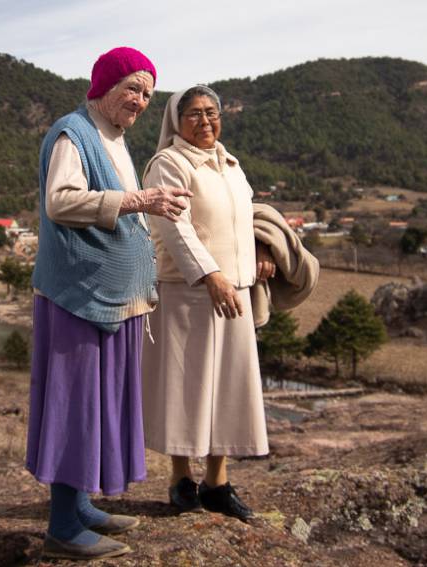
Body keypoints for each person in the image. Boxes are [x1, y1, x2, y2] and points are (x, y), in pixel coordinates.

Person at [26, 47, 192, 560]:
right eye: (132, 89)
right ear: (103, 86)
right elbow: (61, 201)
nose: (141, 100)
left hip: (113, 299)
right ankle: (61, 527)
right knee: (75, 406)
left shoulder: (112, 138)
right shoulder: (73, 133)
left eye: (147, 93)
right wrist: (142, 201)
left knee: (98, 404)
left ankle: (80, 506)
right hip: (80, 298)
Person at [141, 86, 273, 522]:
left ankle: (217, 483)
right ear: (176, 121)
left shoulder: (230, 164)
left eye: (211, 112)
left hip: (233, 290)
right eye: (194, 114)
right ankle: (181, 479)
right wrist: (210, 274)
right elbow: (173, 227)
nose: (205, 121)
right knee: (187, 388)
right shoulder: (169, 164)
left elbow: (243, 219)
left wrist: (261, 252)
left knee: (228, 387)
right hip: (188, 292)